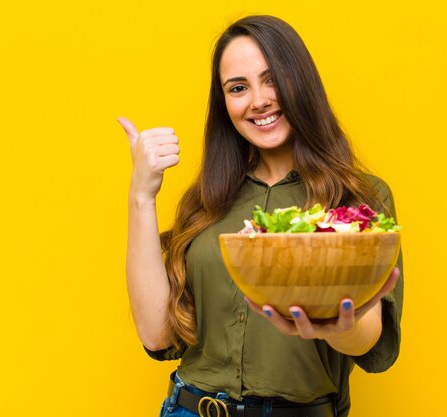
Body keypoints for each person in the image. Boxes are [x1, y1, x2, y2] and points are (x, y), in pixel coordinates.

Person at [119, 15, 403, 417]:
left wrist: (338, 325)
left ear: (300, 83)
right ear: (225, 104)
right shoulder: (206, 201)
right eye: (238, 88)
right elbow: (157, 335)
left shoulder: (360, 199)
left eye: (272, 80)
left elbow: (369, 339)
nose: (259, 100)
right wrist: (141, 196)